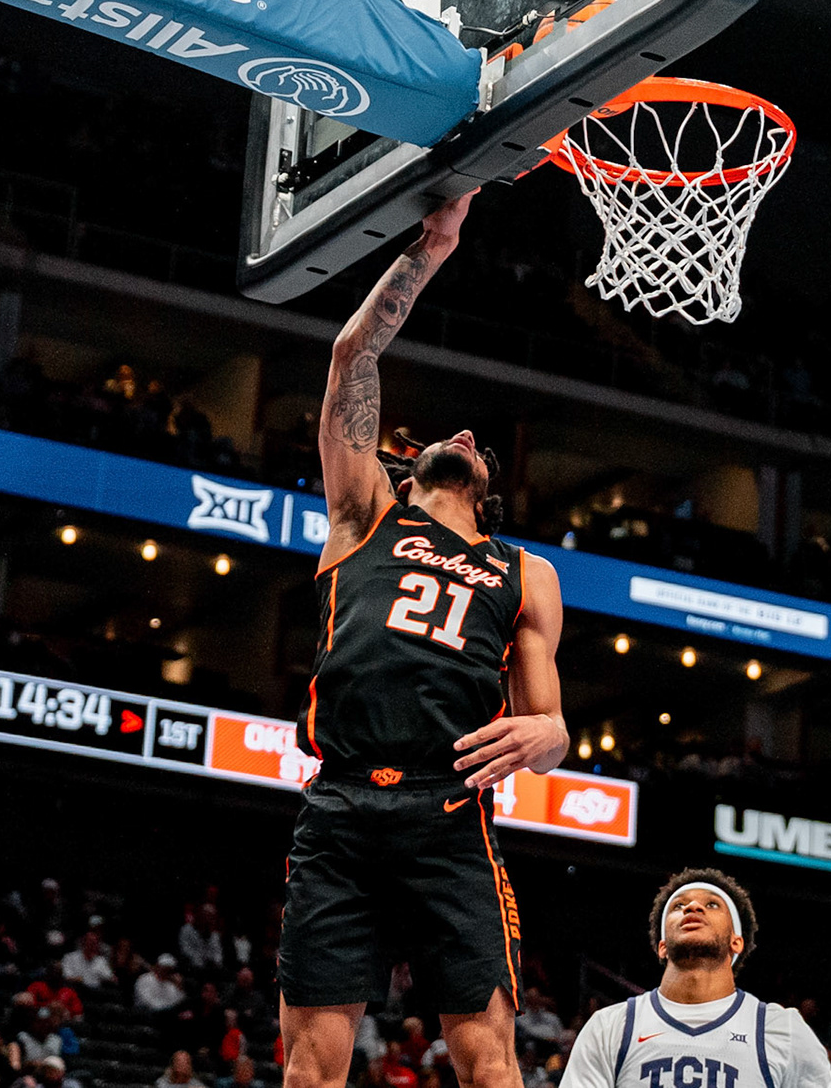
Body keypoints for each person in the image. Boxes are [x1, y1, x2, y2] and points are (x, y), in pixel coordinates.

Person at [282, 192, 568, 1088]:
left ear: (487, 486)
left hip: (450, 814)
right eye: (451, 434)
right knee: (310, 1065)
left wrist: (549, 737)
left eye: (479, 444)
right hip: (340, 807)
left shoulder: (525, 571)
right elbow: (351, 355)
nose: (466, 435)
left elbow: (550, 726)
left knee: (489, 1060)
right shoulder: (363, 512)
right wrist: (432, 247)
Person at [559, 869, 831, 1088]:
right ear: (663, 945)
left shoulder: (782, 1029)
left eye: (712, 904)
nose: (692, 907)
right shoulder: (609, 1028)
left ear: (736, 941)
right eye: (678, 906)